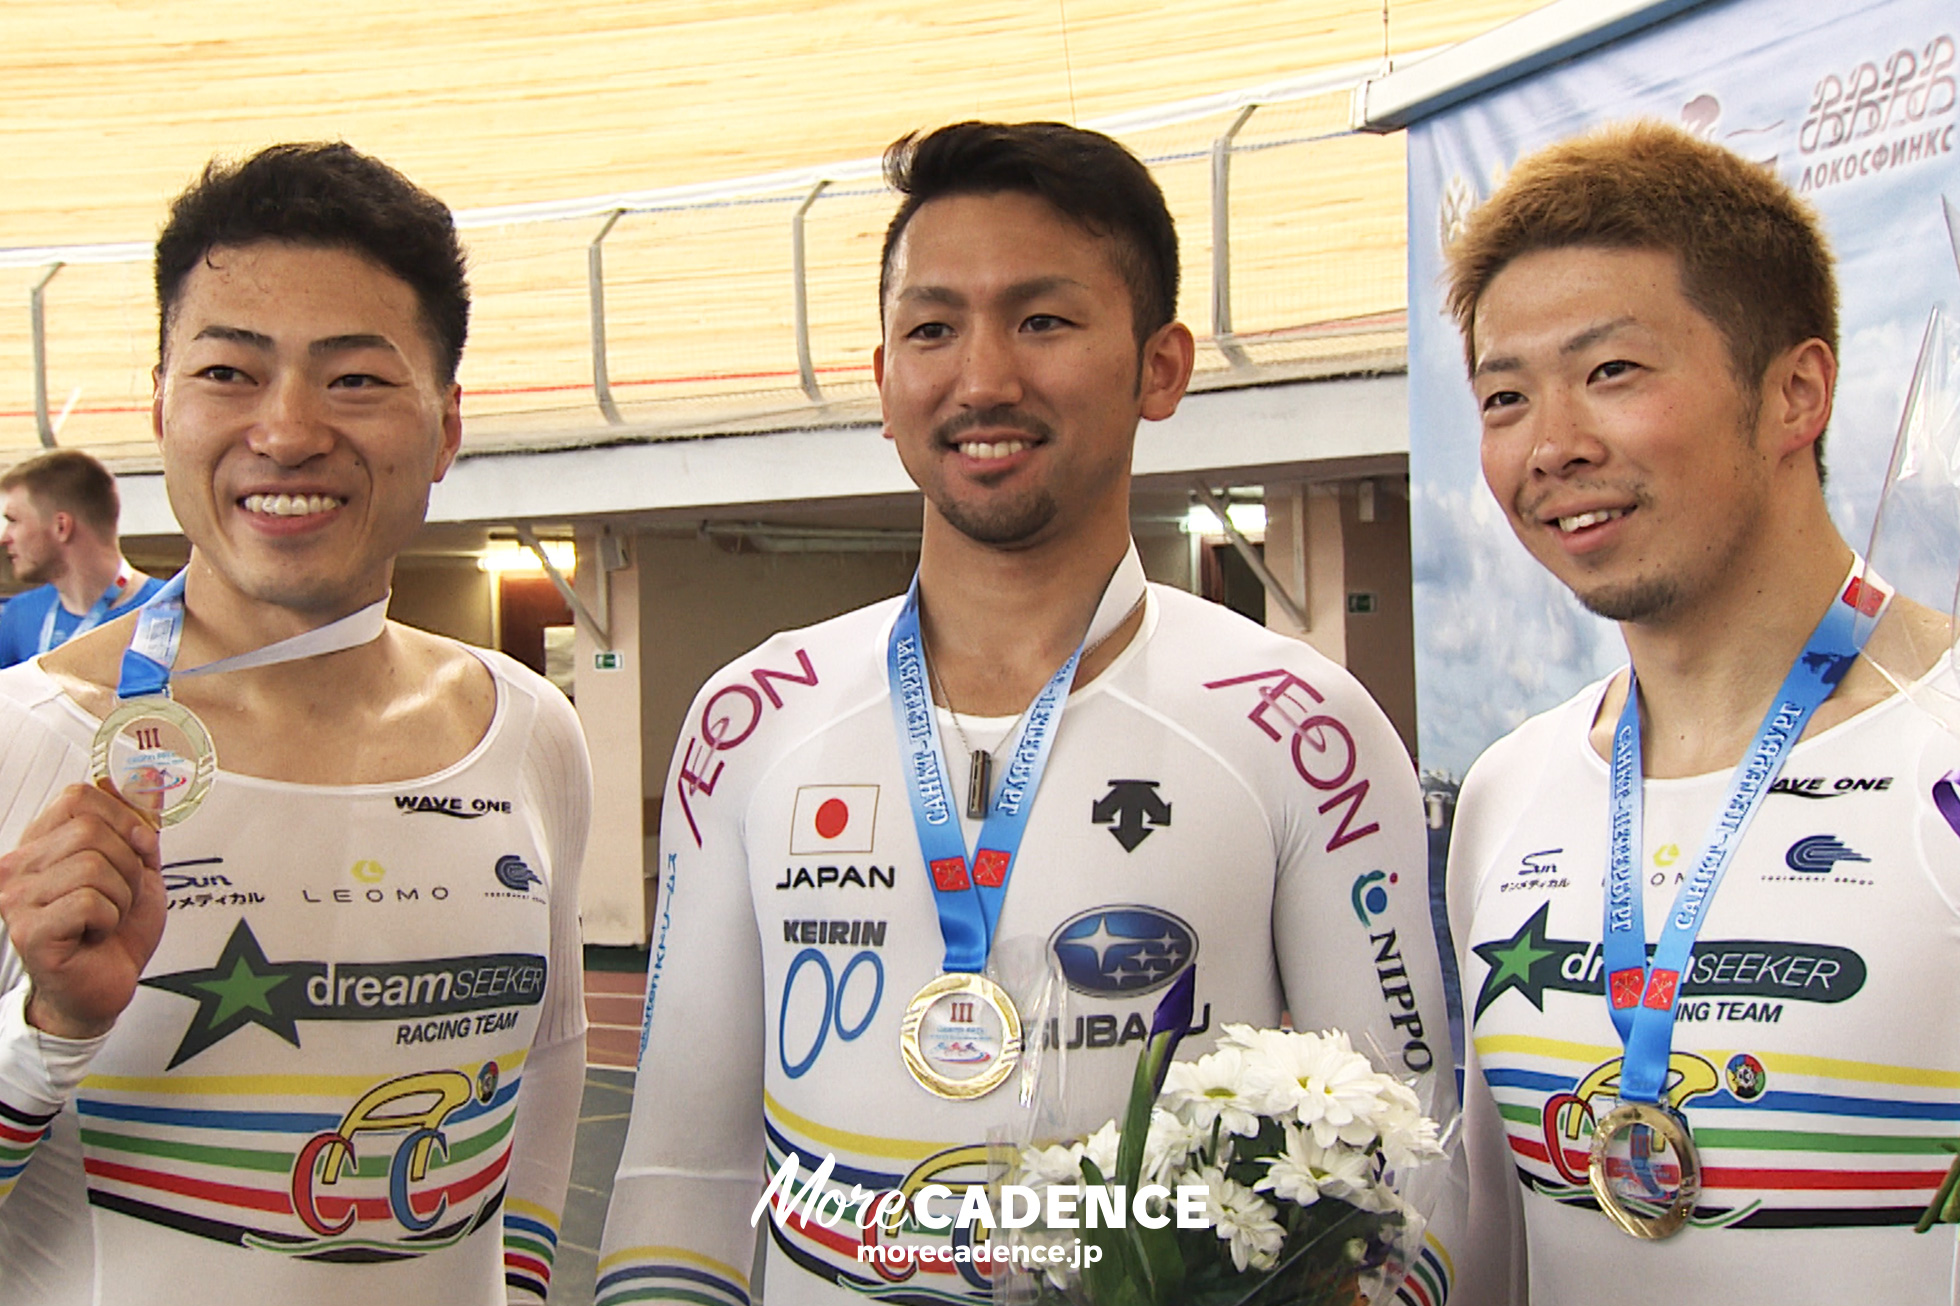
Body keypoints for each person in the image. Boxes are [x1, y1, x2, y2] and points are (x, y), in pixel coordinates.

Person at [600, 121, 1455, 1306]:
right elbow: (682, 1172)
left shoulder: (1303, 726)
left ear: (1161, 366)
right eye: (933, 327)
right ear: (884, 377)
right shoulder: (754, 715)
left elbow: (1418, 1178)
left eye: (1043, 320)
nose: (982, 377)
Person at [0, 143, 590, 1305]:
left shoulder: (528, 729)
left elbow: (549, 1095)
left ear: (448, 423)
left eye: (356, 380)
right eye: (229, 372)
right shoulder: (31, 738)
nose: (286, 431)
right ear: (160, 403)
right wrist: (50, 1030)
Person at [1444, 120, 1960, 1305]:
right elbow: (1494, 1255)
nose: (1553, 445)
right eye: (1504, 395)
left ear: (1795, 391)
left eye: (1612, 372)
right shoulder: (1511, 787)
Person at [0, 450, 165, 668]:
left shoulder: (168, 613)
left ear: (61, 527)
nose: (4, 538)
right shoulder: (19, 615)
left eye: (13, 521)